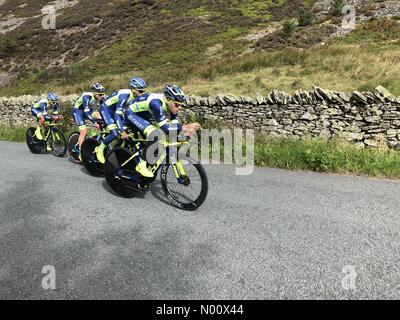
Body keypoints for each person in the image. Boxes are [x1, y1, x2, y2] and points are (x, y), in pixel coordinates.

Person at [123, 84, 201, 178]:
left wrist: (181, 136)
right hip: (130, 114)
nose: (179, 108)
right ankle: (141, 166)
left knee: (155, 142)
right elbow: (166, 128)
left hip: (142, 116)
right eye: (177, 105)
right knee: (155, 134)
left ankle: (143, 159)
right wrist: (186, 127)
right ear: (168, 100)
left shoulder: (171, 106)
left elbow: (174, 127)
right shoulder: (156, 103)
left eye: (180, 105)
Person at [95, 77, 148, 164]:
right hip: (106, 109)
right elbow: (117, 115)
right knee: (115, 132)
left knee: (129, 128)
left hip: (115, 110)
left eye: (144, 91)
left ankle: (117, 150)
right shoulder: (125, 95)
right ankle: (99, 149)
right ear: (133, 89)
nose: (143, 94)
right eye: (141, 91)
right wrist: (122, 131)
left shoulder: (136, 97)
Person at [72, 83, 106, 160]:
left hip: (87, 111)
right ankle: (81, 153)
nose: (102, 96)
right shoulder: (87, 97)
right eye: (100, 95)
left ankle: (92, 137)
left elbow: (104, 109)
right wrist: (95, 123)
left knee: (99, 116)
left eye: (103, 94)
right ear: (94, 93)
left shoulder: (101, 98)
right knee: (83, 131)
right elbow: (86, 112)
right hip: (78, 111)